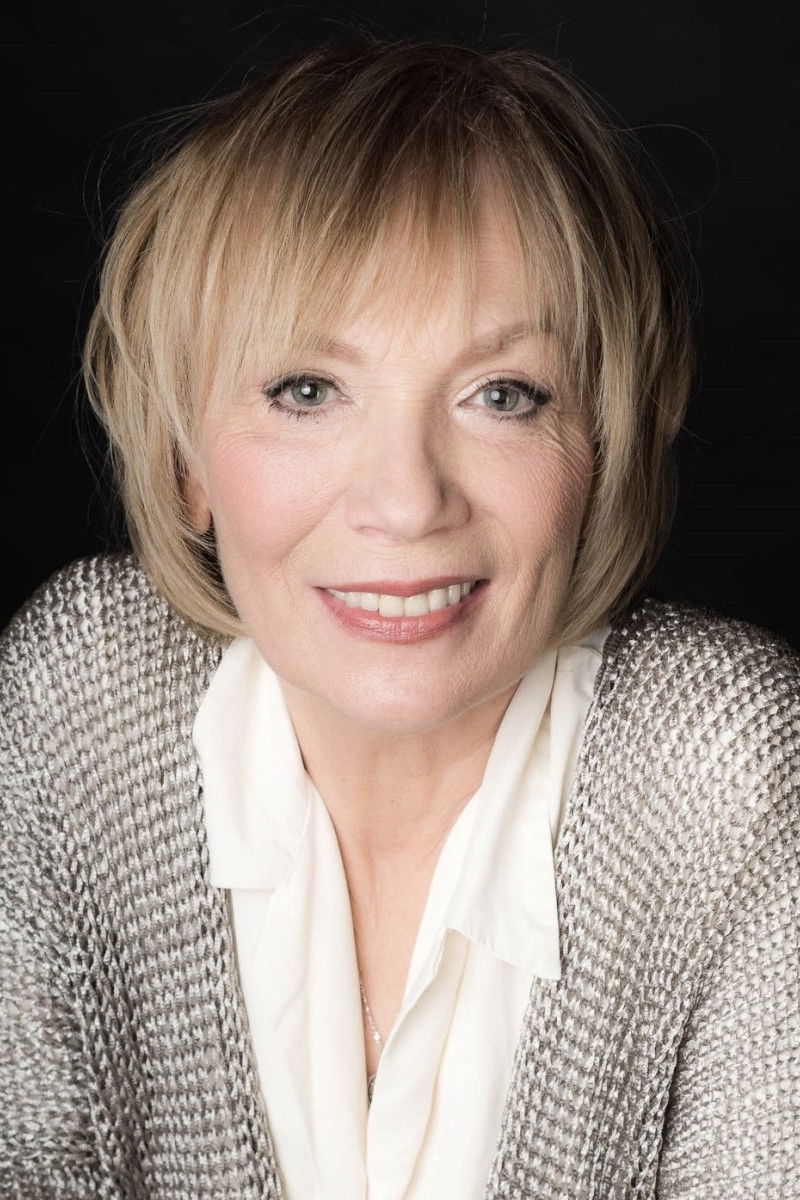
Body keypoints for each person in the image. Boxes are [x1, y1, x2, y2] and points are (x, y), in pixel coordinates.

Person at [1, 35, 797, 1200]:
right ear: (185, 460)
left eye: (501, 394)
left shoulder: (722, 776)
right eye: (306, 390)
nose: (406, 501)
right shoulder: (80, 705)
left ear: (600, 447)